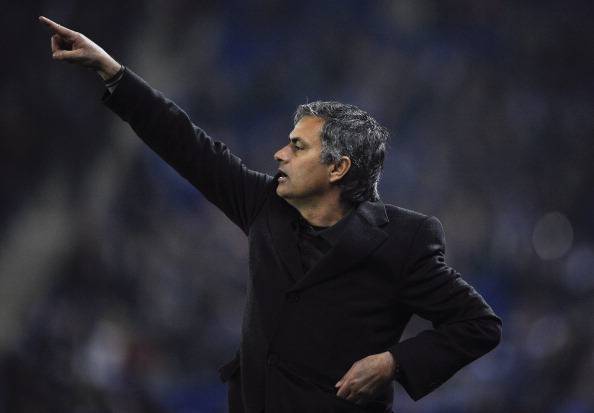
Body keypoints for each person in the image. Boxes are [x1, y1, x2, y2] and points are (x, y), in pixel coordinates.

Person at [39, 16, 502, 413]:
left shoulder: (403, 240)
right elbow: (188, 146)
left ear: (338, 168)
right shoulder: (267, 206)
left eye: (298, 146)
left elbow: (478, 325)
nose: (280, 154)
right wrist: (113, 72)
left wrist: (393, 363)